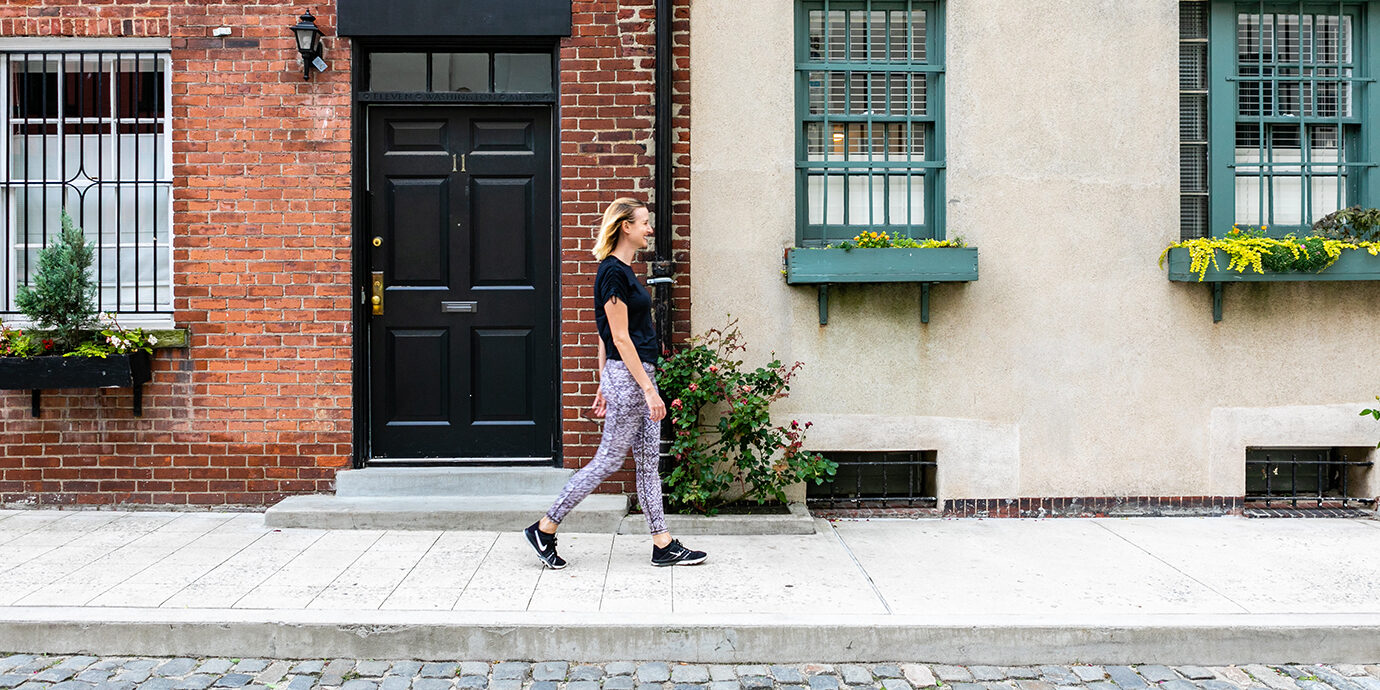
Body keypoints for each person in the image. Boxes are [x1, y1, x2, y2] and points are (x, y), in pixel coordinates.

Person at [524, 198, 707, 569]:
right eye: (644, 223)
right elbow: (620, 339)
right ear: (626, 226)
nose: (649, 230)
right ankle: (545, 528)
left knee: (647, 464)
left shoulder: (623, 270)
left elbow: (603, 338)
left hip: (629, 376)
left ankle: (662, 543)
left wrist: (601, 384)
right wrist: (647, 389)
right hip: (631, 378)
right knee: (608, 460)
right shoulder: (612, 273)